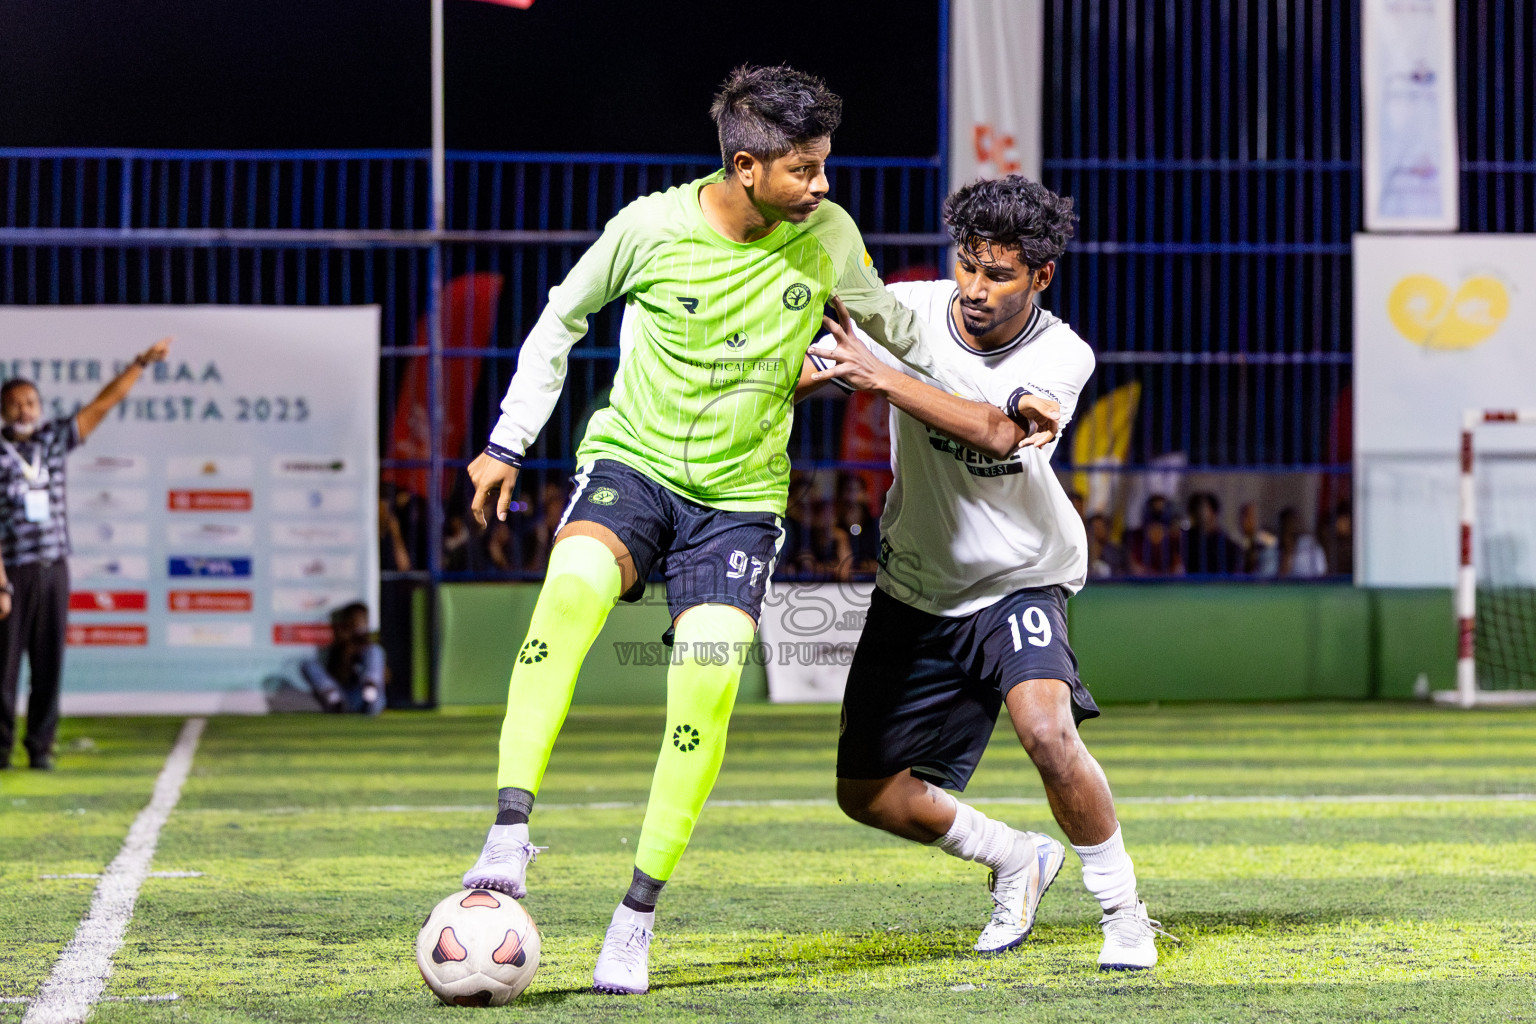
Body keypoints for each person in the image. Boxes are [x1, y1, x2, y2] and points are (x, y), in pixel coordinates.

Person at [457, 65, 972, 995]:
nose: (821, 185)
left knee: (705, 687)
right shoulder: (648, 228)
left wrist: (993, 369)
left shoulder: (827, 235)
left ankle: (634, 918)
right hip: (633, 467)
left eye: (824, 165)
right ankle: (508, 831)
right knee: (569, 597)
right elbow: (561, 319)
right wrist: (506, 441)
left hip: (739, 502)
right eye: (804, 169)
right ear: (745, 167)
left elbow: (892, 326)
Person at [804, 175, 1174, 970]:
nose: (974, 288)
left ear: (1040, 276)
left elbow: (999, 432)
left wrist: (881, 376)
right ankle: (1015, 856)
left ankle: (1124, 915)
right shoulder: (909, 312)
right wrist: (789, 373)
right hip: (916, 586)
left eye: (998, 275)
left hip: (1020, 577)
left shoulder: (1062, 353)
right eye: (967, 265)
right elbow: (821, 358)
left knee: (1046, 730)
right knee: (866, 794)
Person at [0, 338, 171, 770]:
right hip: (11, 572)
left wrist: (139, 364)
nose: (24, 410)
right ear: (3, 410)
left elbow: (102, 404)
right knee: (3, 668)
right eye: (15, 404)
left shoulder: (54, 440)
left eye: (30, 403)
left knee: (49, 664)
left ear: (41, 407)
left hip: (53, 568)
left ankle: (40, 747)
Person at [299, 602, 386, 715]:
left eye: (360, 620)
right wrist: (346, 651)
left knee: (375, 651)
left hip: (369, 700)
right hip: (343, 699)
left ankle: (370, 693)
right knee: (308, 665)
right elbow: (339, 676)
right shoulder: (336, 647)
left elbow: (386, 678)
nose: (357, 624)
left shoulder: (371, 644)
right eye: (353, 620)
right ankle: (334, 700)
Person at [1183, 491, 1242, 574]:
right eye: (1197, 509)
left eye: (1204, 509)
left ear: (1214, 512)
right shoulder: (1187, 541)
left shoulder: (1227, 544)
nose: (1200, 513)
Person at [1261, 506, 1328, 578]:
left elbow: (1322, 573)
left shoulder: (1311, 546)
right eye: (1286, 526)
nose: (1290, 529)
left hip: (1308, 584)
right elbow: (1267, 578)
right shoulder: (1270, 551)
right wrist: (1287, 554)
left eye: (1292, 524)